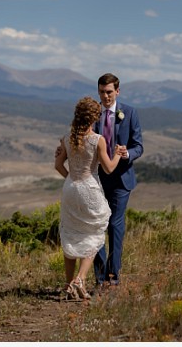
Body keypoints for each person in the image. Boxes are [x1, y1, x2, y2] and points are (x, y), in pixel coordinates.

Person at [56, 73, 143, 289]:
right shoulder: (92, 115)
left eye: (109, 92)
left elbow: (139, 145)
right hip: (95, 180)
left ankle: (113, 276)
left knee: (114, 224)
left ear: (117, 92)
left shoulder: (130, 113)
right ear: (98, 92)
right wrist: (63, 149)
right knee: (93, 226)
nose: (105, 96)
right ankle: (100, 276)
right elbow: (78, 140)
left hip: (122, 178)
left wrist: (126, 154)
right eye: (102, 92)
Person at [54, 96, 121, 300]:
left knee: (71, 233)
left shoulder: (66, 138)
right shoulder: (97, 140)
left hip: (70, 188)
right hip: (89, 189)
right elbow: (108, 168)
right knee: (94, 231)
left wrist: (71, 181)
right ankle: (81, 278)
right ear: (94, 117)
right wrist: (117, 153)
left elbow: (58, 165)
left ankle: (67, 284)